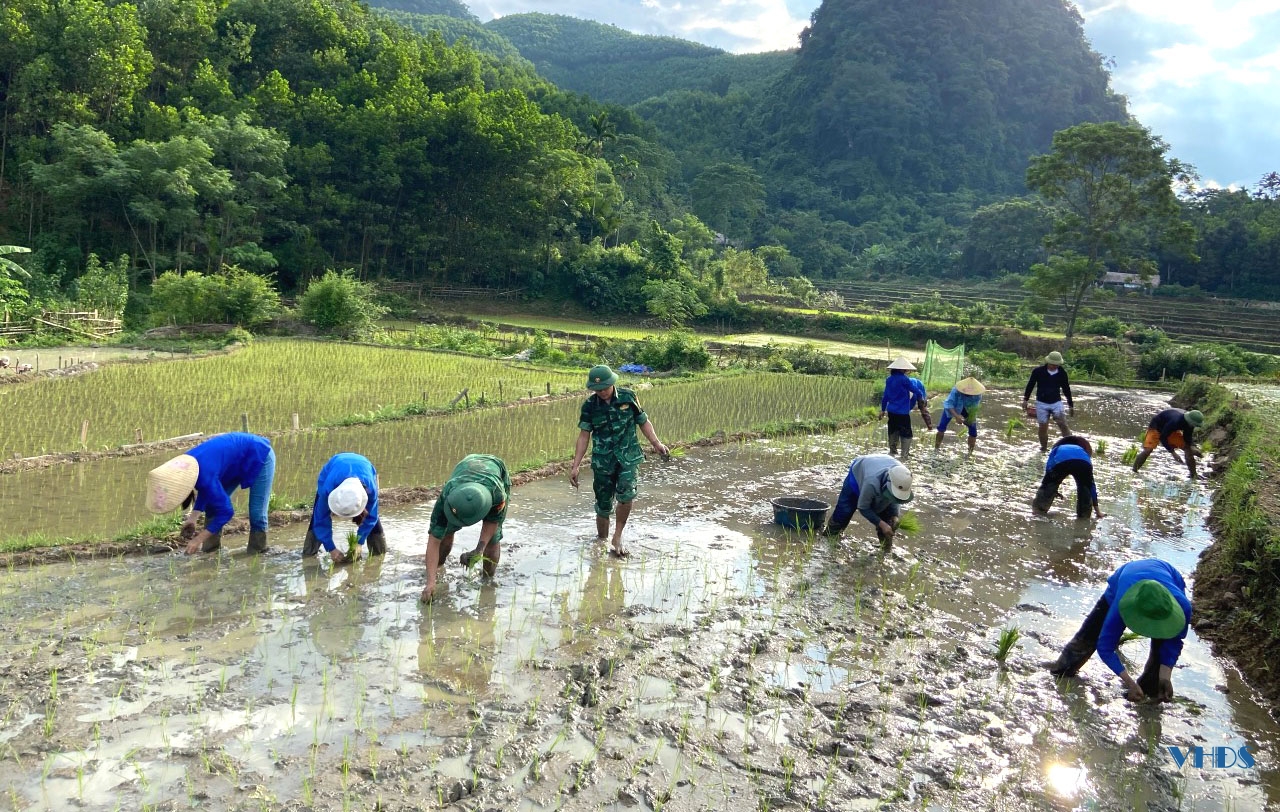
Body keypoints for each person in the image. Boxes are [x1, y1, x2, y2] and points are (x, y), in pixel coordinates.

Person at [1048, 559, 1192, 703]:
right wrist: (1130, 683)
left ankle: (1149, 692)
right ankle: (1061, 670)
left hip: (1166, 576)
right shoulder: (1120, 604)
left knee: (1160, 660)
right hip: (1124, 580)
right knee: (1089, 635)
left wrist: (1165, 676)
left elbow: (1174, 639)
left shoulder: (1183, 607)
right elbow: (1105, 647)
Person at [570, 364, 668, 558]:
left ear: (612, 383)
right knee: (603, 504)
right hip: (603, 461)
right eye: (597, 390)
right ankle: (601, 540)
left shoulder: (628, 397)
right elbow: (584, 436)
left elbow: (643, 421)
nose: (602, 392)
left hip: (628, 456)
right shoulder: (590, 406)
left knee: (626, 496)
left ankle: (617, 536)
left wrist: (656, 443)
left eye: (605, 388)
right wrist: (575, 465)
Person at [145, 432, 276, 554]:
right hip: (234, 463)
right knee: (213, 506)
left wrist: (198, 540)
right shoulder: (188, 468)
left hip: (259, 455)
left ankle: (258, 552)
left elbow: (227, 512)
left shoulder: (200, 471)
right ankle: (211, 551)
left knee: (256, 513)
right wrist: (192, 519)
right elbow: (205, 489)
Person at [422, 454, 511, 603]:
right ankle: (438, 567)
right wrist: (430, 582)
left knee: (493, 539)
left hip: (493, 474)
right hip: (465, 469)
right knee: (446, 532)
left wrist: (479, 550)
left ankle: (487, 581)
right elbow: (434, 540)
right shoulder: (447, 496)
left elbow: (492, 522)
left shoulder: (497, 493)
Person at [302, 452, 386, 564]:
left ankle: (379, 553)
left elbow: (371, 517)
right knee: (317, 516)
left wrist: (359, 542)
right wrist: (331, 549)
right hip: (334, 469)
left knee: (371, 516)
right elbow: (321, 520)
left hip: (365, 468)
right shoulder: (327, 490)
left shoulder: (371, 490)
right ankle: (309, 553)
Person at [823, 454, 914, 548]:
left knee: (890, 521)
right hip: (859, 472)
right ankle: (829, 539)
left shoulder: (904, 477)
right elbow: (863, 507)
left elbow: (896, 499)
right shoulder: (871, 482)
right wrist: (882, 524)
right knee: (844, 511)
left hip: (881, 465)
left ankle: (885, 549)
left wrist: (895, 516)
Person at [1032, 436, 1105, 520]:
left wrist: (1052, 488)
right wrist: (1098, 511)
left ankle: (1038, 512)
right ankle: (1083, 518)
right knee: (1086, 488)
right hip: (1083, 464)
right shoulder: (1083, 453)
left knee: (1048, 486)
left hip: (1061, 462)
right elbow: (1091, 486)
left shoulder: (1057, 448)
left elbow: (1049, 469)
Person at [880, 357, 932, 459]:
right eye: (905, 370)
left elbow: (885, 396)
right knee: (906, 432)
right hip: (902, 412)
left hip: (891, 411)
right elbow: (915, 390)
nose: (906, 371)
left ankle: (893, 452)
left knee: (893, 429)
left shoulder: (889, 380)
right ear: (902, 369)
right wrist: (921, 396)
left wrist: (882, 410)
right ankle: (904, 455)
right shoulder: (904, 379)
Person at [1023, 351, 1074, 452]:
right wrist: (1025, 399)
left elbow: (1066, 389)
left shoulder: (1062, 373)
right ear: (1048, 362)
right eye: (1052, 364)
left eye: (1056, 365)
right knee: (1043, 427)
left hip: (1056, 402)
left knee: (1063, 424)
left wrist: (1070, 405)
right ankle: (1044, 448)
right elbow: (1030, 385)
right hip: (1041, 403)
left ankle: (1071, 446)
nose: (1054, 366)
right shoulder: (1038, 371)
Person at [1132, 408, 1203, 479]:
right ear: (1190, 421)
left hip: (1171, 430)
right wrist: (1173, 453)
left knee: (1188, 449)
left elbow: (1187, 438)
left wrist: (1193, 447)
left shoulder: (1190, 424)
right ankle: (1134, 471)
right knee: (1148, 450)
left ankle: (1193, 475)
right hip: (1156, 426)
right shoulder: (1176, 421)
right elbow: (1163, 437)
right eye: (1195, 425)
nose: (1195, 426)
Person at [934, 377, 985, 454]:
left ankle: (970, 453)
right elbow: (949, 404)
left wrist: (969, 420)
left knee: (973, 431)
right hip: (953, 407)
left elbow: (974, 408)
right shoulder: (956, 391)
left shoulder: (977, 395)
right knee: (941, 427)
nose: (968, 394)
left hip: (967, 409)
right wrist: (957, 416)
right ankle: (936, 448)